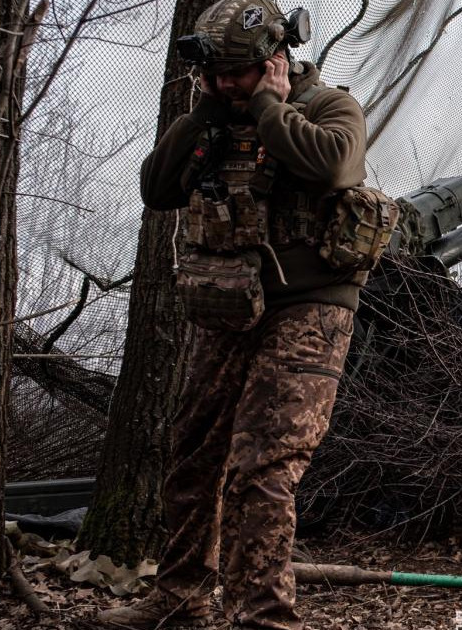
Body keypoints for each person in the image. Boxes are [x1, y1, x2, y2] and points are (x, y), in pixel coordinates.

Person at [98, 0, 368, 628]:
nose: (224, 84)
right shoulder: (214, 116)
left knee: (264, 466)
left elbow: (334, 165)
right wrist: (203, 116)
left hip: (308, 309)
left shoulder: (329, 107)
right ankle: (180, 599)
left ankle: (262, 617)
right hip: (227, 305)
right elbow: (159, 189)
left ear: (276, 60)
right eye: (215, 73)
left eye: (237, 73)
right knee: (194, 453)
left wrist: (271, 106)